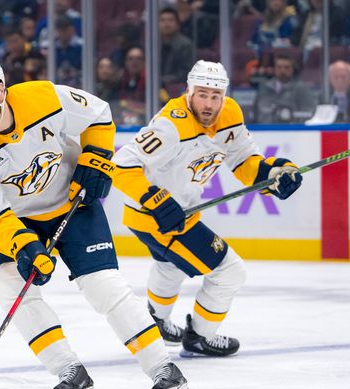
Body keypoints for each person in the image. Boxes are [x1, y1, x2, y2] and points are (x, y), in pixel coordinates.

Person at [0, 53, 197, 389]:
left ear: (0, 88)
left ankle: (163, 368)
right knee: (9, 287)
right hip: (16, 221)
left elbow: (98, 113)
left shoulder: (43, 97)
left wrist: (95, 158)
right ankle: (69, 371)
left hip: (73, 203)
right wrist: (23, 246)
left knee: (104, 287)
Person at [112, 60, 303, 357]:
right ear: (188, 91)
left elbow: (242, 160)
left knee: (171, 264)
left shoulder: (230, 113)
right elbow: (121, 165)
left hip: (175, 213)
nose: (209, 104)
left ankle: (157, 320)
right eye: (202, 94)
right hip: (155, 216)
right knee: (230, 272)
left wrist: (272, 173)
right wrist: (156, 200)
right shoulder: (171, 124)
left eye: (216, 96)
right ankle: (200, 336)